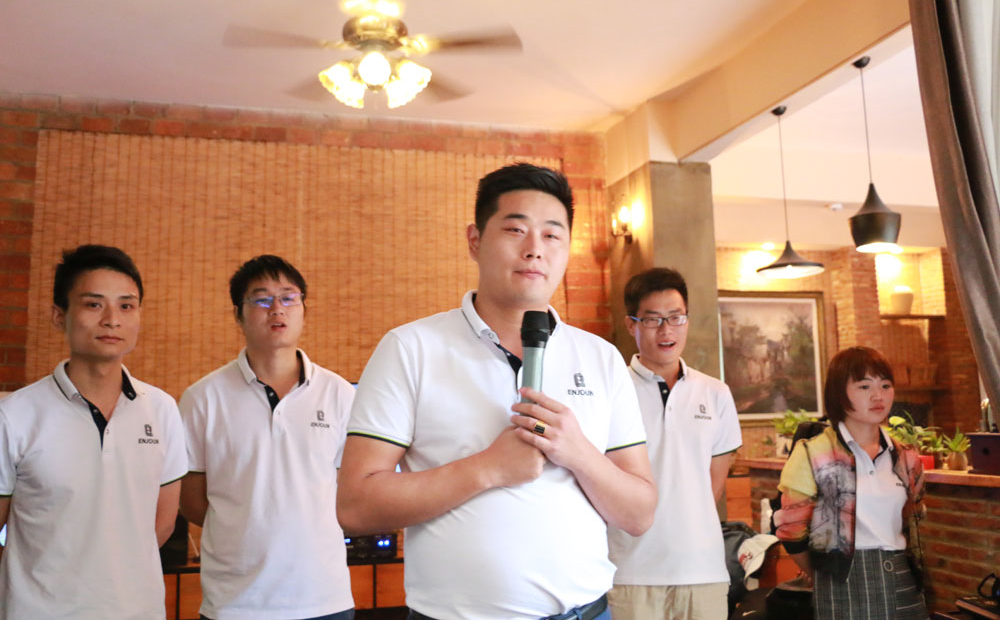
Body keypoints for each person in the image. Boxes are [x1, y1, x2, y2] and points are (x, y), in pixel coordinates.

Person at [337, 163, 656, 620]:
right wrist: (487, 468)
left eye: (552, 235)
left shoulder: (601, 357)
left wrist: (579, 453)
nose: (535, 250)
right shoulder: (411, 348)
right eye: (515, 230)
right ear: (475, 240)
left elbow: (639, 514)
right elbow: (356, 505)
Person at [0, 244, 187, 619]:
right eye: (93, 304)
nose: (112, 320)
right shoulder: (14, 414)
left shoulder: (162, 408)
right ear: (59, 316)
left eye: (126, 306)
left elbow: (162, 522)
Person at [179, 255, 355, 620]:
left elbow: (347, 490)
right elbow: (192, 500)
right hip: (235, 603)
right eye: (261, 300)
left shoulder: (339, 394)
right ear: (238, 315)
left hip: (324, 598)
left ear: (304, 309)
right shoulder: (203, 398)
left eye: (288, 297)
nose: (277, 309)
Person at [607, 267, 742, 620]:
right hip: (629, 573)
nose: (666, 330)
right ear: (631, 325)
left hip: (703, 572)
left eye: (675, 317)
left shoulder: (716, 393)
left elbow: (712, 486)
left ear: (687, 320)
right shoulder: (610, 390)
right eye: (653, 320)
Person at [774, 346, 928, 620]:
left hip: (902, 576)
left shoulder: (906, 457)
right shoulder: (813, 453)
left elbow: (914, 516)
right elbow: (792, 532)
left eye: (885, 385)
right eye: (864, 386)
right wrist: (825, 573)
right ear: (838, 393)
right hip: (841, 579)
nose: (878, 395)